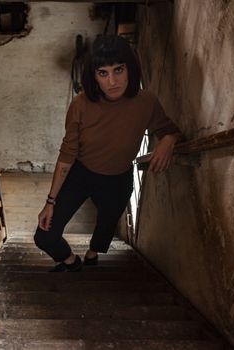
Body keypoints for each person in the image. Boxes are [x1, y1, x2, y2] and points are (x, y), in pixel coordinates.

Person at [34, 35, 181, 272]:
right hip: (82, 174)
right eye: (103, 73)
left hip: (119, 177)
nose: (113, 81)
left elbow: (169, 130)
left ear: (130, 69)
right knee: (44, 236)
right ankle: (72, 262)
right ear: (94, 76)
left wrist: (168, 139)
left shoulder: (146, 101)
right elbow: (67, 154)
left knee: (107, 222)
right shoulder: (80, 105)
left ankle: (93, 254)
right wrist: (50, 202)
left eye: (118, 70)